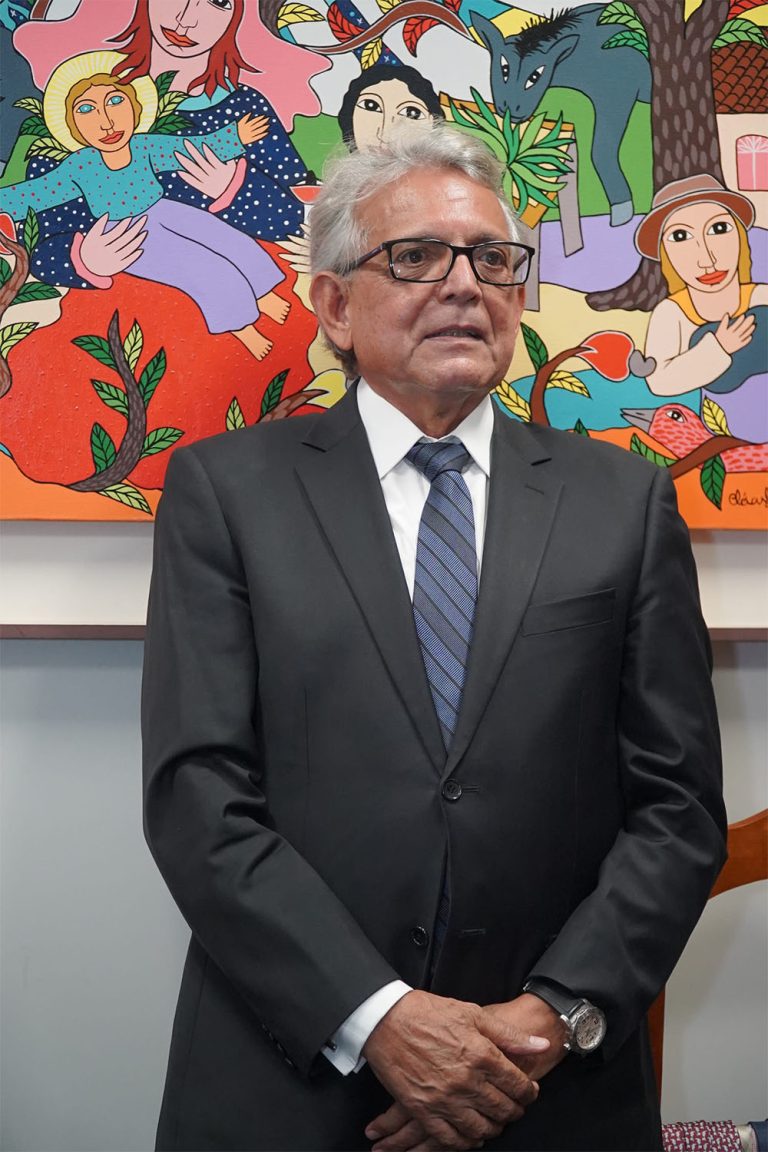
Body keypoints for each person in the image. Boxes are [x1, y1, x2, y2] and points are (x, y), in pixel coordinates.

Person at [142, 125, 727, 1151]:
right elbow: (197, 795)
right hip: (294, 1081)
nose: (465, 285)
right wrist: (380, 1021)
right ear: (334, 306)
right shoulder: (225, 493)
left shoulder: (623, 503)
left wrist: (544, 1024)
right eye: (415, 257)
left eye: (493, 260)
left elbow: (677, 809)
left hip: (549, 1091)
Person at [0, 52, 289, 360]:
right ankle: (242, 326)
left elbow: (192, 149)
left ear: (136, 107)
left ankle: (264, 290)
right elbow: (36, 192)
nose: (106, 122)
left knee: (226, 238)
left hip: (165, 210)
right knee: (202, 268)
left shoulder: (144, 145)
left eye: (115, 101)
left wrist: (234, 137)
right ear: (72, 126)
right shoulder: (79, 166)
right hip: (129, 234)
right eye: (86, 109)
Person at [636, 174, 767, 437]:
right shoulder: (671, 314)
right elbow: (659, 382)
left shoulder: (762, 298)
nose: (706, 259)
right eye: (680, 236)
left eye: (719, 229)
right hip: (724, 432)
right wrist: (719, 347)